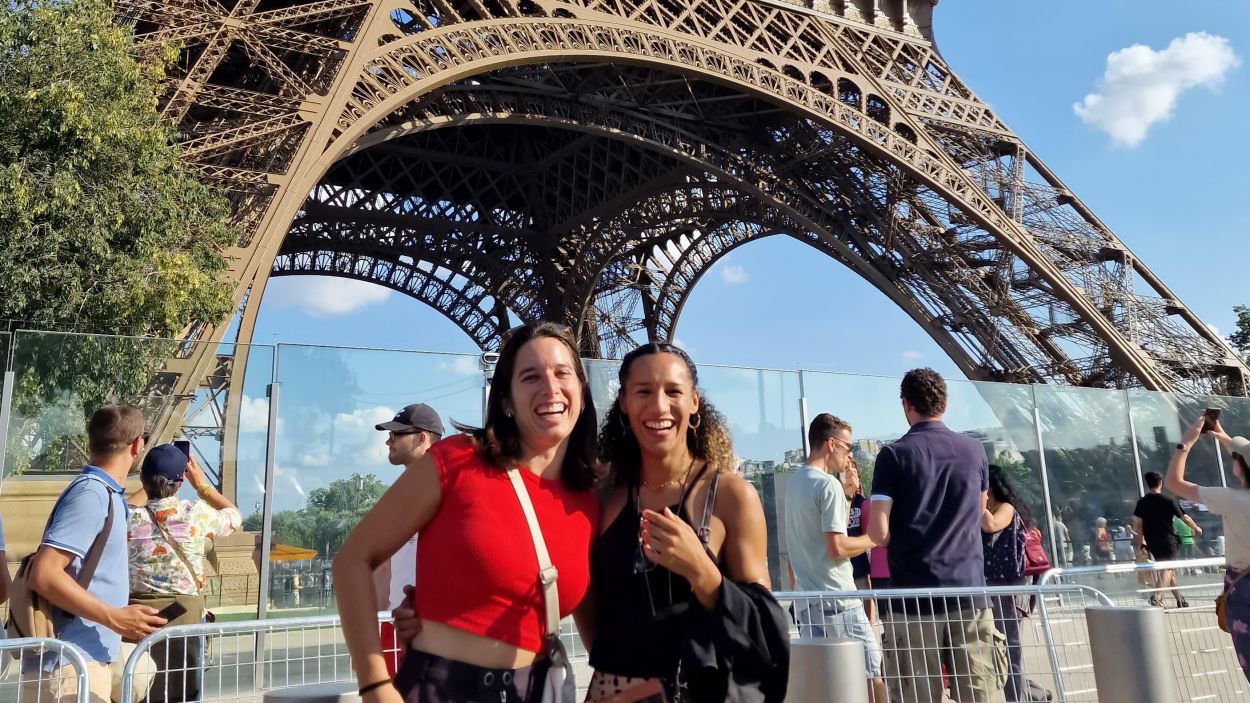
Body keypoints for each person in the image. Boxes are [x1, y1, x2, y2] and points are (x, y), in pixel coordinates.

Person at [333, 322, 601, 703]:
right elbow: (352, 560)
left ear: (582, 389)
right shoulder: (459, 460)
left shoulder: (589, 499)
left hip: (538, 690)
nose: (550, 387)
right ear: (505, 399)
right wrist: (375, 684)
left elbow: (601, 632)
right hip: (444, 688)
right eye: (530, 377)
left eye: (562, 373)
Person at [586, 342, 788, 702]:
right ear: (624, 403)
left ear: (694, 402)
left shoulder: (731, 496)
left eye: (673, 391)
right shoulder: (603, 497)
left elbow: (764, 628)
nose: (659, 406)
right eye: (643, 392)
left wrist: (702, 570)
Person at [868, 368, 1001, 703]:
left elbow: (878, 532)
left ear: (905, 404)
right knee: (979, 693)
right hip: (969, 592)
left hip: (912, 597)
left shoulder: (893, 455)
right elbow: (978, 511)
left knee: (917, 695)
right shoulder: (974, 451)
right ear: (944, 403)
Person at [25, 406, 167, 703]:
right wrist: (115, 618)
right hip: (70, 670)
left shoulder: (105, 493)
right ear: (138, 445)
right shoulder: (92, 495)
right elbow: (45, 573)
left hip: (78, 665)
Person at [127, 443, 242, 703]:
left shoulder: (127, 517)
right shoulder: (195, 513)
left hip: (138, 622)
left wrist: (148, 485)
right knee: (184, 692)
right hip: (184, 620)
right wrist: (202, 485)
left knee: (140, 689)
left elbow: (125, 504)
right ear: (180, 483)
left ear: (144, 480)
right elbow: (234, 516)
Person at [784, 414, 884, 703]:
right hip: (839, 601)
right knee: (872, 670)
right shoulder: (827, 486)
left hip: (808, 603)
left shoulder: (795, 482)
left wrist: (848, 497)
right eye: (848, 446)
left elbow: (813, 541)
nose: (850, 453)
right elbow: (836, 547)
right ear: (831, 443)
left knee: (827, 685)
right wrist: (873, 539)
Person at [1164, 415, 1250, 683]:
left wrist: (1185, 444)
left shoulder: (1233, 500)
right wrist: (1223, 436)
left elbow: (1174, 483)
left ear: (1241, 467)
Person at [372, 403, 444, 676]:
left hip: (437, 627)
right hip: (394, 626)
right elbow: (383, 568)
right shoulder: (396, 497)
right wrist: (372, 638)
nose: (388, 439)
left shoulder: (451, 494)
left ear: (422, 438)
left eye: (398, 434)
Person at [981, 465, 1029, 703]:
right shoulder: (985, 509)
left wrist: (976, 499)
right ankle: (1033, 693)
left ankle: (1018, 698)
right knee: (996, 648)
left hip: (1007, 586)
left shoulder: (1006, 509)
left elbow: (990, 525)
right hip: (989, 584)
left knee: (1010, 646)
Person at [1134, 471, 1202, 607]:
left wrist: (1140, 543)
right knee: (1168, 568)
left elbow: (1138, 526)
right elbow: (1185, 518)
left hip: (1152, 541)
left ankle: (1180, 600)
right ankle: (1157, 596)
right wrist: (1196, 528)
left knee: (1167, 571)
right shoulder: (1168, 500)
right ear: (1160, 482)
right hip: (1167, 539)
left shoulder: (1142, 502)